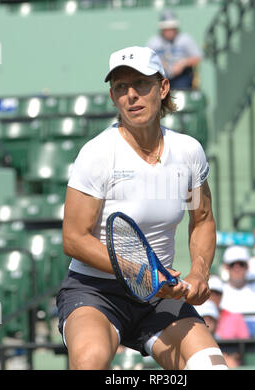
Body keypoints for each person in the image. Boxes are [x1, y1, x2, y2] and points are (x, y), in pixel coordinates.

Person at [56, 46, 227, 370]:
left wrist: (200, 272)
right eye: (121, 87)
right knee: (89, 362)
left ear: (163, 88)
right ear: (112, 96)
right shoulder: (97, 154)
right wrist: (142, 272)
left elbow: (202, 219)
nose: (131, 95)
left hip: (161, 296)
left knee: (211, 367)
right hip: (96, 292)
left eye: (141, 84)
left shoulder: (188, 152)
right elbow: (74, 239)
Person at [147, 9, 202, 90]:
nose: (170, 32)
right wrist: (159, 62)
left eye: (172, 28)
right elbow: (147, 59)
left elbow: (198, 57)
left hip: (182, 78)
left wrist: (183, 63)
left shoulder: (185, 39)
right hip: (161, 77)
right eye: (167, 29)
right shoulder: (154, 42)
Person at [220, 245, 255, 337]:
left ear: (247, 266)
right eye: (232, 265)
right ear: (226, 267)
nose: (237, 268)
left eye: (241, 264)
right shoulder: (218, 293)